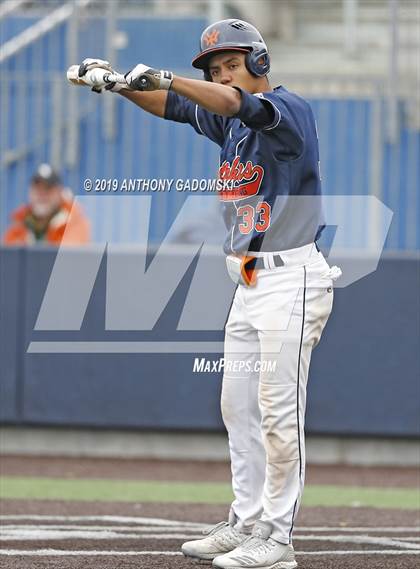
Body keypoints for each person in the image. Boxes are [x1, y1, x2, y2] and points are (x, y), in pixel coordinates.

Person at [76, 18, 341, 569]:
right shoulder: (232, 125)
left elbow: (230, 103)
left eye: (232, 64)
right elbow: (172, 107)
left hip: (291, 277)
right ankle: (245, 522)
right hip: (249, 281)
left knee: (277, 412)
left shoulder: (287, 110)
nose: (224, 74)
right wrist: (118, 84)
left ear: (260, 64)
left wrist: (172, 77)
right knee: (236, 408)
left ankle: (277, 537)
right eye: (217, 68)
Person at [2, 164, 90, 246]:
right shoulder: (20, 222)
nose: (42, 195)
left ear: (59, 192)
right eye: (37, 189)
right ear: (30, 192)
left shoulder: (72, 222)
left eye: (48, 189)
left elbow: (70, 256)